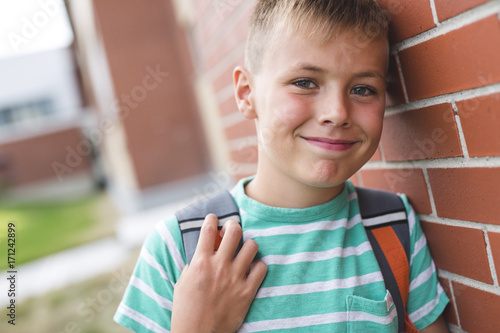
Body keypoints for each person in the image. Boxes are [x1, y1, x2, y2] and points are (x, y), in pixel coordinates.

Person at [114, 0, 450, 332]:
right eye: (305, 82)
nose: (337, 112)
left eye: (362, 89)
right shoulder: (181, 249)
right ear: (247, 93)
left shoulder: (393, 225)